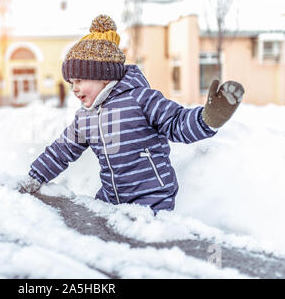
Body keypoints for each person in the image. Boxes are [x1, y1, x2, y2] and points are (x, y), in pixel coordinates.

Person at [17, 14, 244, 214]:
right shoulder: (84, 118)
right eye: (71, 82)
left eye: (79, 80)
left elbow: (176, 123)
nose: (74, 88)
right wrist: (36, 176)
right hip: (112, 198)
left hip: (152, 198)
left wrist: (207, 119)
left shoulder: (140, 99)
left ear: (102, 76)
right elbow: (61, 150)